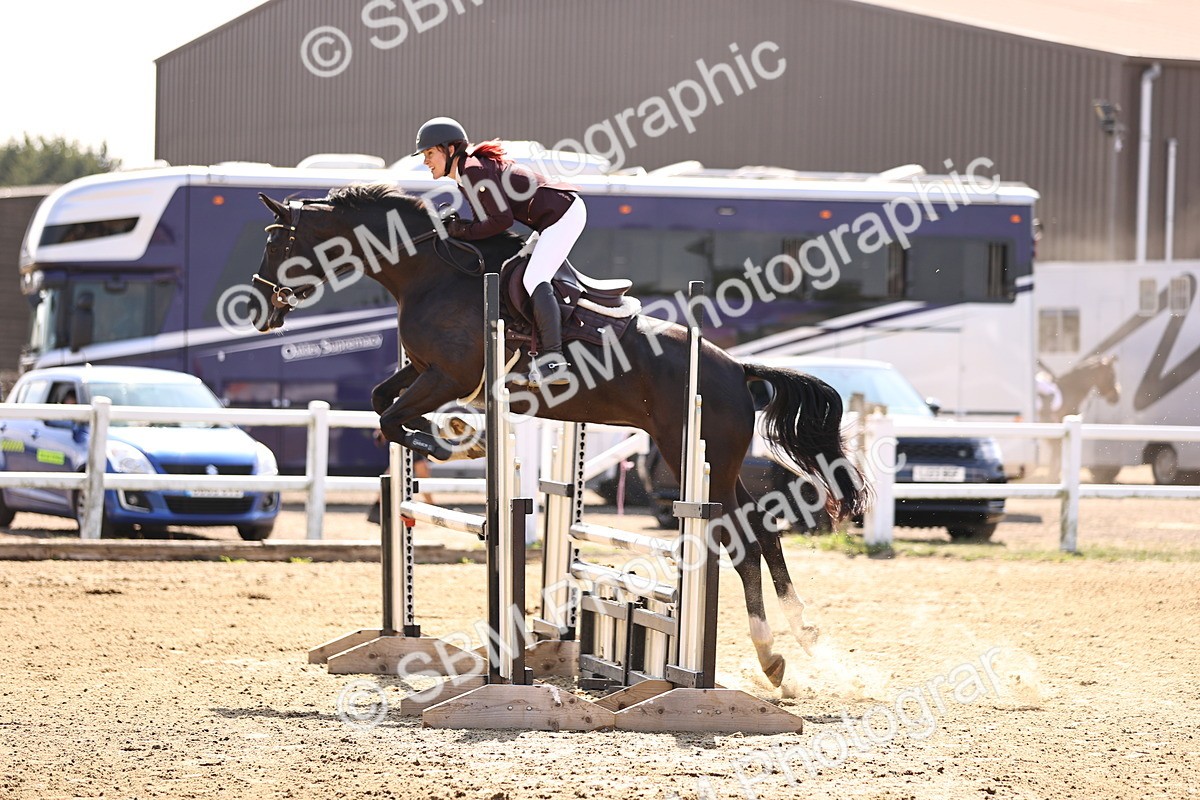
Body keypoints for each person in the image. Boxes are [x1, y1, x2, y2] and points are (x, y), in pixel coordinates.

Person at [411, 117, 584, 384]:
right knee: (518, 274)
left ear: (449, 149)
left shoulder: (473, 170)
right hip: (551, 218)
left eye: (430, 153)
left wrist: (463, 231)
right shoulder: (469, 172)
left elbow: (500, 221)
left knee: (533, 278)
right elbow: (488, 222)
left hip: (562, 215)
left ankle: (554, 359)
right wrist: (460, 228)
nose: (426, 161)